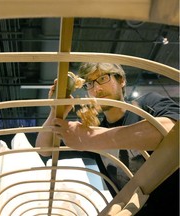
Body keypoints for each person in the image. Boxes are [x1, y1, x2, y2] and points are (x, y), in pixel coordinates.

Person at [36, 62, 179, 215]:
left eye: (103, 78)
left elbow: (173, 130)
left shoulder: (147, 105)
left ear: (121, 80)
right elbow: (44, 149)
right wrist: (56, 111)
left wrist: (92, 138)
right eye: (89, 84)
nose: (96, 89)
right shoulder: (92, 131)